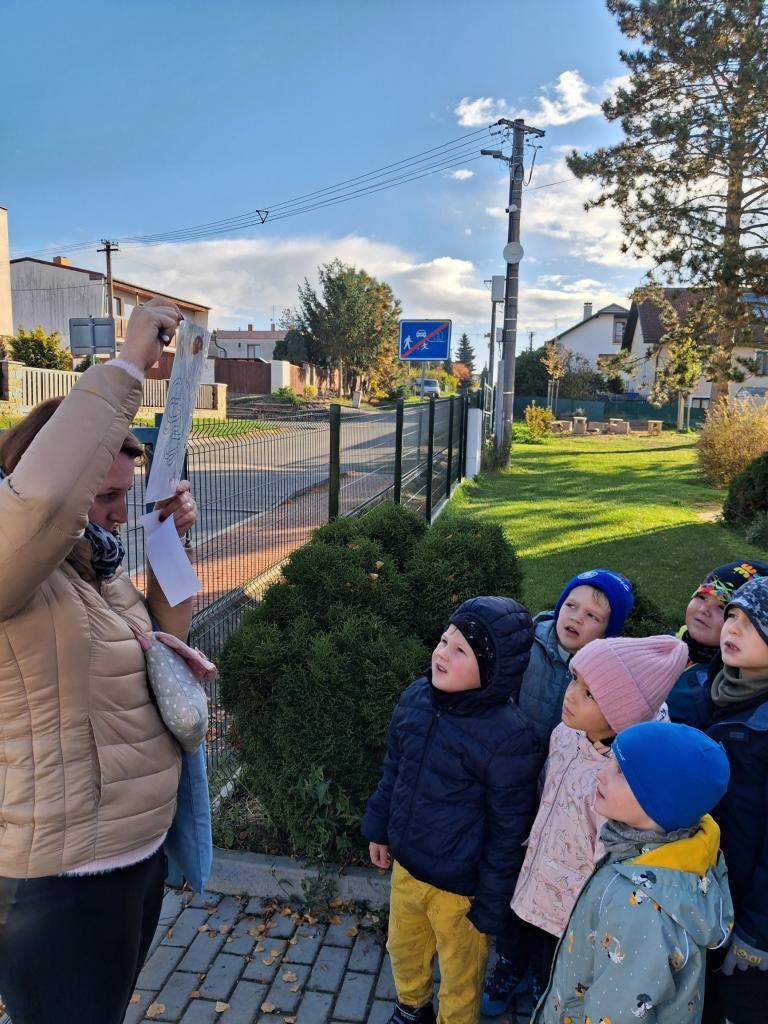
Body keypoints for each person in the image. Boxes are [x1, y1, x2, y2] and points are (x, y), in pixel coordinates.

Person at [0, 298, 200, 1024]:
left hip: (132, 861)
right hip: (62, 883)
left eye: (125, 494)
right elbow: (46, 502)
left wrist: (169, 544)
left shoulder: (98, 564)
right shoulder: (15, 565)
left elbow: (163, 641)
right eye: (106, 495)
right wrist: (125, 368)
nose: (117, 510)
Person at [483, 634, 688, 1016]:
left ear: (623, 713)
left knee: (553, 956)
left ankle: (546, 994)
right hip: (536, 865)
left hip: (573, 897)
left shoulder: (625, 779)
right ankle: (512, 968)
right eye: (574, 679)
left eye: (589, 693)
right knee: (517, 930)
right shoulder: (566, 733)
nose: (571, 694)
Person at [362, 596, 540, 1024]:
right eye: (444, 640)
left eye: (460, 650)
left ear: (492, 671)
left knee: (461, 974)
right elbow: (395, 768)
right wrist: (379, 827)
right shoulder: (417, 698)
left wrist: (492, 903)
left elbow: (509, 831)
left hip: (461, 891)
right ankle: (412, 1007)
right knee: (403, 947)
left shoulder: (508, 738)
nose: (442, 653)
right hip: (408, 868)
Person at [533, 721, 733, 1024]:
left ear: (661, 801)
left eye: (621, 772)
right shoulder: (654, 852)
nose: (601, 774)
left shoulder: (641, 912)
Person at [703, 575, 768, 1024]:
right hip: (710, 886)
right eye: (732, 616)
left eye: (752, 623)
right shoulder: (715, 685)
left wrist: (758, 929)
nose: (732, 628)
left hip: (747, 913)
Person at [518, 569, 634, 746]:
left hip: (564, 759)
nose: (577, 618)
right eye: (571, 605)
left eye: (592, 616)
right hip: (512, 751)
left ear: (606, 632)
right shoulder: (526, 644)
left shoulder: (605, 674)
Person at [667, 561, 768, 729]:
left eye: (722, 606)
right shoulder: (669, 641)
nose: (704, 610)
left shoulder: (712, 679)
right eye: (702, 596)